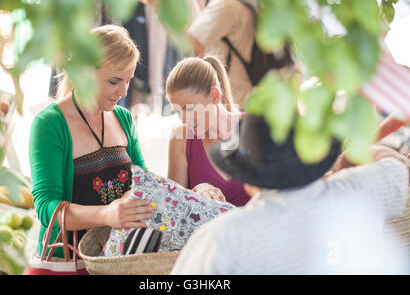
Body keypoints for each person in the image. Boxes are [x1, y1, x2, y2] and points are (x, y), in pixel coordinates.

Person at [171, 113, 410, 274]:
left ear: (250, 182)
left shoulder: (223, 238)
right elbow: (394, 163)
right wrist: (346, 162)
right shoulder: (359, 192)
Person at [28, 25, 153, 268]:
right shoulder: (50, 124)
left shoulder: (123, 119)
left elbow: (144, 181)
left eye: (128, 81)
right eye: (115, 81)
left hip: (118, 260)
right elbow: (46, 207)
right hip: (67, 260)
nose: (124, 91)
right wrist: (106, 215)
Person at [166, 56, 251, 206]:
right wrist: (196, 191)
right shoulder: (181, 139)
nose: (184, 119)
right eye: (178, 111)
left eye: (189, 108)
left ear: (214, 96)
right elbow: (173, 207)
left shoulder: (253, 129)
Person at [185, 0, 255, 109]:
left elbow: (191, 41)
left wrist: (158, 3)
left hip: (235, 102)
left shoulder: (227, 3)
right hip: (247, 97)